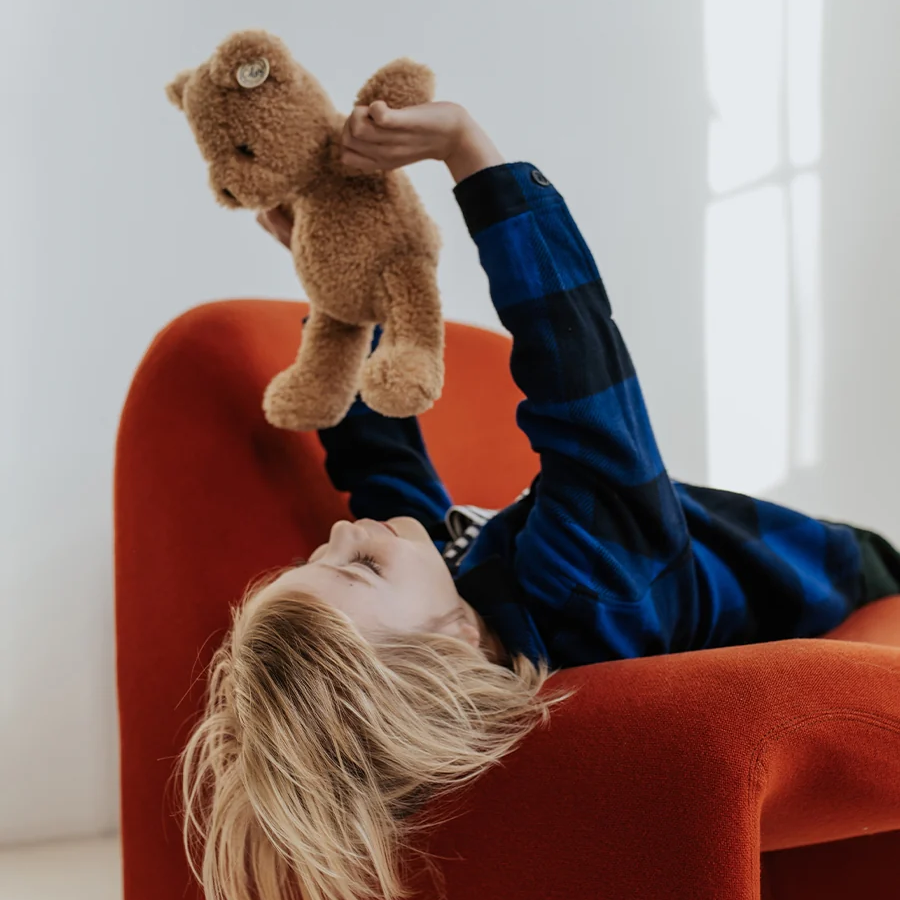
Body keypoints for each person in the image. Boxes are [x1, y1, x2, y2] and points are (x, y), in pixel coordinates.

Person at [181, 100, 900, 900]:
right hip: (848, 579)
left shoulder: (449, 597)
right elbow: (581, 379)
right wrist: (472, 157)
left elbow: (374, 455)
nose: (346, 531)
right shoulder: (588, 589)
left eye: (322, 553)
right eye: (355, 568)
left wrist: (335, 274)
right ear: (449, 648)